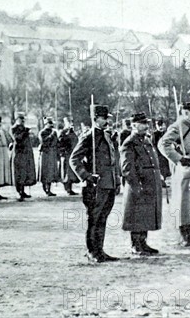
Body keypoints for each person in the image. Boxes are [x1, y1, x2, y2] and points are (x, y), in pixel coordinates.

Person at [70, 105, 121, 263]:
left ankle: (100, 250)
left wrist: (116, 180)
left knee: (103, 218)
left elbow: (113, 161)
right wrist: (86, 176)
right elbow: (74, 159)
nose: (107, 120)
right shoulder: (89, 137)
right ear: (95, 119)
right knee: (94, 218)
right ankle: (92, 251)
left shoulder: (106, 136)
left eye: (107, 117)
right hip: (95, 185)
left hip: (108, 184)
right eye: (104, 117)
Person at [158, 101, 190, 247]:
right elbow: (163, 144)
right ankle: (184, 235)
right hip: (185, 167)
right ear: (186, 112)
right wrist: (179, 158)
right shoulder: (177, 126)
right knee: (183, 202)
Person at [120, 112, 163, 255]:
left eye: (146, 123)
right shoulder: (129, 143)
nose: (146, 126)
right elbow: (127, 168)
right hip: (138, 185)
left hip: (149, 183)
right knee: (136, 215)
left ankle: (143, 242)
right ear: (133, 125)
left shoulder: (146, 140)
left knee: (146, 214)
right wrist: (136, 185)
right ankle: (136, 245)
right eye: (142, 123)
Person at [10, 112, 36, 201]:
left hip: (25, 153)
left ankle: (23, 191)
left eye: (23, 119)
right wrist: (24, 132)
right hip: (18, 153)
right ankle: (18, 191)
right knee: (18, 172)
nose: (22, 121)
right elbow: (17, 139)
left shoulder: (24, 128)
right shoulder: (14, 128)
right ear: (17, 120)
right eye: (21, 119)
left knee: (24, 172)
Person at [38, 117, 59, 196]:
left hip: (52, 153)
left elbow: (57, 142)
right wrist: (51, 136)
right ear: (46, 124)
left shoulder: (54, 132)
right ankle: (45, 189)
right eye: (49, 123)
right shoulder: (42, 132)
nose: (51, 125)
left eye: (52, 123)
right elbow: (43, 142)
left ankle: (49, 189)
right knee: (45, 171)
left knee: (51, 172)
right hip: (45, 153)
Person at [58, 118, 79, 196]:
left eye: (72, 123)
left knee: (71, 173)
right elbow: (60, 143)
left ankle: (70, 188)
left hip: (73, 154)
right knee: (66, 172)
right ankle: (67, 188)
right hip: (66, 154)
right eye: (69, 123)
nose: (71, 125)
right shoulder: (63, 133)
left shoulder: (73, 133)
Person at [152, 118, 171, 186]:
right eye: (158, 125)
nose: (160, 127)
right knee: (161, 167)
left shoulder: (167, 134)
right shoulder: (154, 135)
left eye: (162, 125)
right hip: (158, 154)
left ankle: (165, 180)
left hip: (166, 153)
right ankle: (161, 181)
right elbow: (153, 145)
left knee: (166, 167)